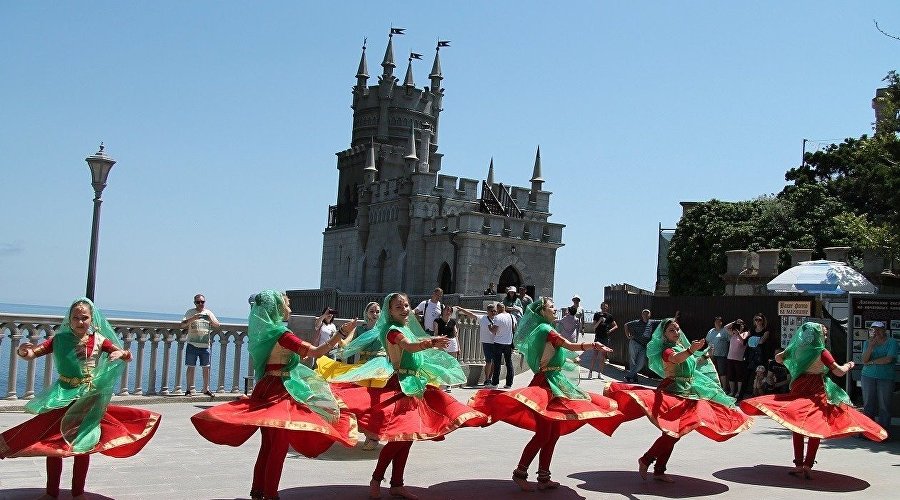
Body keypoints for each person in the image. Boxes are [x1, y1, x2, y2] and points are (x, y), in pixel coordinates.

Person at [191, 290, 359, 500]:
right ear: (277, 308)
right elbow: (316, 352)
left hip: (267, 386)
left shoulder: (266, 333)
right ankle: (270, 494)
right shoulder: (282, 334)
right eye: (286, 305)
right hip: (280, 389)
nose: (290, 309)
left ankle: (258, 490)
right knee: (278, 448)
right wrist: (340, 333)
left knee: (268, 446)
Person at [0, 298, 160, 500]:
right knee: (53, 445)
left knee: (84, 445)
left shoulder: (100, 340)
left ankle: (78, 493)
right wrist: (23, 351)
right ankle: (51, 492)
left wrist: (120, 353)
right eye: (76, 317)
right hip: (62, 397)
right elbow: (34, 352)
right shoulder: (60, 339)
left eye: (84, 317)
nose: (80, 321)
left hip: (89, 398)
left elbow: (127, 355)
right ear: (70, 318)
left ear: (92, 319)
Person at [332, 292, 487, 500]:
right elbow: (409, 347)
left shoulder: (405, 328)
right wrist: (431, 343)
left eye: (406, 305)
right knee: (398, 439)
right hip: (400, 386)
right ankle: (376, 479)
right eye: (399, 307)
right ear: (390, 312)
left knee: (408, 437)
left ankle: (397, 484)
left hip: (414, 386)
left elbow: (415, 346)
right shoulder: (393, 331)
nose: (405, 309)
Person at [470, 297, 622, 491]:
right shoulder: (545, 330)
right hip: (545, 385)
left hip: (556, 382)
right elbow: (568, 345)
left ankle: (543, 476)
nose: (555, 309)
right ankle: (520, 473)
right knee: (543, 434)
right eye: (551, 307)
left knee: (553, 433)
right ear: (542, 312)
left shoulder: (547, 329)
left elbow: (562, 352)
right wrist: (593, 345)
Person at [606, 318, 751, 483]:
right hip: (673, 393)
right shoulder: (666, 350)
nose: (676, 333)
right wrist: (690, 350)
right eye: (671, 330)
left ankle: (658, 469)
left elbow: (690, 363)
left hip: (689, 392)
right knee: (674, 433)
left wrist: (702, 355)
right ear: (664, 334)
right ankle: (647, 460)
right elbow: (675, 359)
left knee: (674, 432)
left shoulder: (681, 346)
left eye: (677, 329)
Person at [740, 322, 887, 479]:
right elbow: (838, 372)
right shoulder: (821, 351)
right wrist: (849, 365)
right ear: (815, 335)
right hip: (816, 390)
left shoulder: (797, 348)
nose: (824, 336)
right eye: (823, 333)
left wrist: (793, 356)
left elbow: (778, 358)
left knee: (798, 425)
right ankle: (807, 465)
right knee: (815, 426)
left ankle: (799, 464)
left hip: (799, 387)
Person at [860, 321, 897, 435]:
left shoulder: (892, 342)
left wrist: (872, 362)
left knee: (884, 406)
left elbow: (888, 359)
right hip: (868, 376)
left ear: (884, 330)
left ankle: (883, 432)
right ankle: (869, 432)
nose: (876, 332)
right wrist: (871, 347)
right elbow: (864, 360)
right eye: (873, 329)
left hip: (885, 377)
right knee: (868, 405)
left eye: (879, 329)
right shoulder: (868, 343)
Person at [181, 293, 221, 397]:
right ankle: (188, 389)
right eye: (198, 302)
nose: (200, 304)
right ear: (194, 303)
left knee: (206, 368)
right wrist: (193, 318)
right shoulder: (190, 312)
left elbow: (217, 325)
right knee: (191, 367)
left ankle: (206, 389)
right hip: (192, 344)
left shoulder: (208, 313)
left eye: (202, 302)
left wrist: (210, 320)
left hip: (205, 346)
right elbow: (182, 324)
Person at [623, 309, 660, 383]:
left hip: (643, 346)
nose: (646, 315)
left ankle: (629, 376)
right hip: (635, 343)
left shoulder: (652, 322)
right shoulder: (636, 322)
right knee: (633, 361)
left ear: (650, 315)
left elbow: (663, 321)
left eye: (647, 314)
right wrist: (628, 336)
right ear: (642, 315)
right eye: (644, 314)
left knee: (640, 364)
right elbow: (626, 325)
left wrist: (674, 318)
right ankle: (634, 378)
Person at [433, 304, 461, 392]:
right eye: (446, 310)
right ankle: (440, 383)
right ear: (443, 311)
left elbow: (456, 335)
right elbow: (435, 333)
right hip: (442, 342)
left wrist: (459, 347)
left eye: (450, 311)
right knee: (441, 363)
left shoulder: (453, 322)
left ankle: (449, 384)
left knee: (451, 364)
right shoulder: (437, 321)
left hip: (452, 343)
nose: (448, 312)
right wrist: (435, 344)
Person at [588, 301, 618, 379]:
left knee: (603, 356)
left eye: (606, 307)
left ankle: (600, 373)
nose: (604, 308)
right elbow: (594, 327)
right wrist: (600, 320)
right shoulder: (597, 315)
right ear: (600, 307)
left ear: (607, 308)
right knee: (595, 355)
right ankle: (590, 372)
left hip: (605, 338)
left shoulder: (609, 316)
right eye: (603, 307)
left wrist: (610, 331)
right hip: (598, 337)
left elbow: (616, 326)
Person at [491, 301, 516, 389]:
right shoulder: (512, 316)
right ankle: (509, 384)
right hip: (508, 343)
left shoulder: (498, 317)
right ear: (504, 308)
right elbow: (514, 328)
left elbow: (494, 330)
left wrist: (490, 327)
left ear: (498, 308)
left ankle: (495, 383)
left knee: (497, 363)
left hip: (498, 342)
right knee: (509, 363)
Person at [478, 303, 500, 386]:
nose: (494, 313)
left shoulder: (497, 319)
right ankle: (487, 379)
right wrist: (461, 309)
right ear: (488, 311)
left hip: (496, 342)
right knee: (488, 361)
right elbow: (471, 314)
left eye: (495, 311)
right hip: (487, 342)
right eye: (492, 311)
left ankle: (490, 378)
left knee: (494, 361)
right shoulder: (482, 318)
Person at [725, 319, 749, 398]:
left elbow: (743, 342)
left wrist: (739, 333)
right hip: (730, 357)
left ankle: (738, 392)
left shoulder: (746, 333)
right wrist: (734, 322)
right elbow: (725, 327)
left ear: (744, 325)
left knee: (739, 376)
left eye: (742, 324)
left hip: (739, 359)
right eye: (739, 325)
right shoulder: (733, 333)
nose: (740, 326)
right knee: (731, 375)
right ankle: (732, 392)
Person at [705, 316, 730, 387]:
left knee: (722, 372)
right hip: (711, 355)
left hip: (721, 355)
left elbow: (730, 340)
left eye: (719, 321)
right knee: (712, 372)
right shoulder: (711, 331)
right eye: (716, 321)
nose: (717, 323)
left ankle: (724, 388)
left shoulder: (725, 331)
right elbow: (707, 340)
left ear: (721, 323)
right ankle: (713, 387)